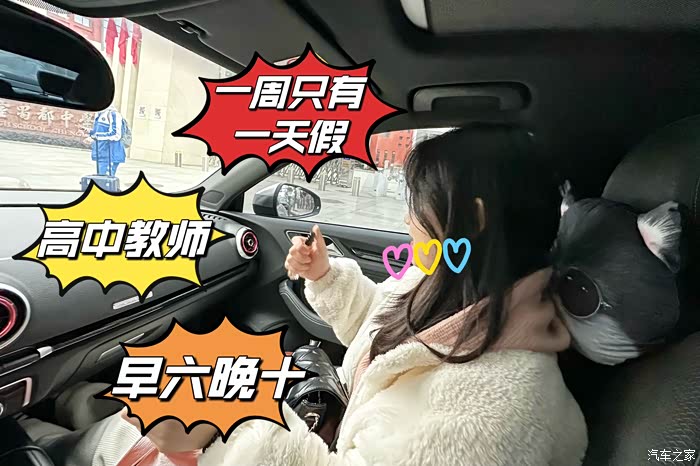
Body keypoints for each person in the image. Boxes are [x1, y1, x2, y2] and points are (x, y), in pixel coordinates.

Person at [59, 125, 588, 465]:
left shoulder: (498, 415)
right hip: (328, 433)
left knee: (150, 426)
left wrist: (233, 425)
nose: (407, 220)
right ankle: (65, 428)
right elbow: (381, 335)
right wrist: (326, 276)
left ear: (473, 218)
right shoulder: (452, 288)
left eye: (418, 203)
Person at [89, 105, 127, 177]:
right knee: (101, 178)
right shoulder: (99, 114)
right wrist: (90, 133)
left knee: (106, 179)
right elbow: (98, 132)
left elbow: (116, 135)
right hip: (102, 153)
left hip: (111, 153)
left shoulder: (113, 114)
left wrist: (96, 136)